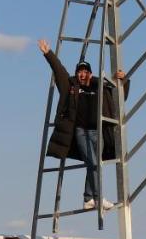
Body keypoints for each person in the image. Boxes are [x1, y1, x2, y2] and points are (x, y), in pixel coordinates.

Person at [37, 39, 129, 211]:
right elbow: (59, 71)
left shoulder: (101, 86)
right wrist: (48, 54)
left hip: (99, 132)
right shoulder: (71, 86)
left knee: (94, 164)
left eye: (85, 71)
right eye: (79, 71)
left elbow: (119, 97)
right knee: (93, 164)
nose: (82, 74)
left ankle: (88, 199)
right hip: (81, 132)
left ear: (90, 73)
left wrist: (123, 81)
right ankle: (98, 198)